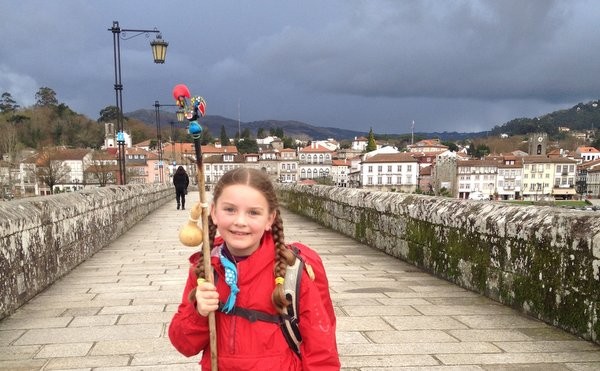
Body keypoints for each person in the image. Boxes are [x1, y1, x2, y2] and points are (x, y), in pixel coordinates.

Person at [169, 167, 340, 370]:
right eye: (230, 209)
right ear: (213, 213)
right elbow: (184, 345)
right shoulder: (204, 270)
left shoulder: (292, 271)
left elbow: (322, 353)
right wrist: (198, 313)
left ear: (270, 219)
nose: (240, 221)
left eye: (253, 213)